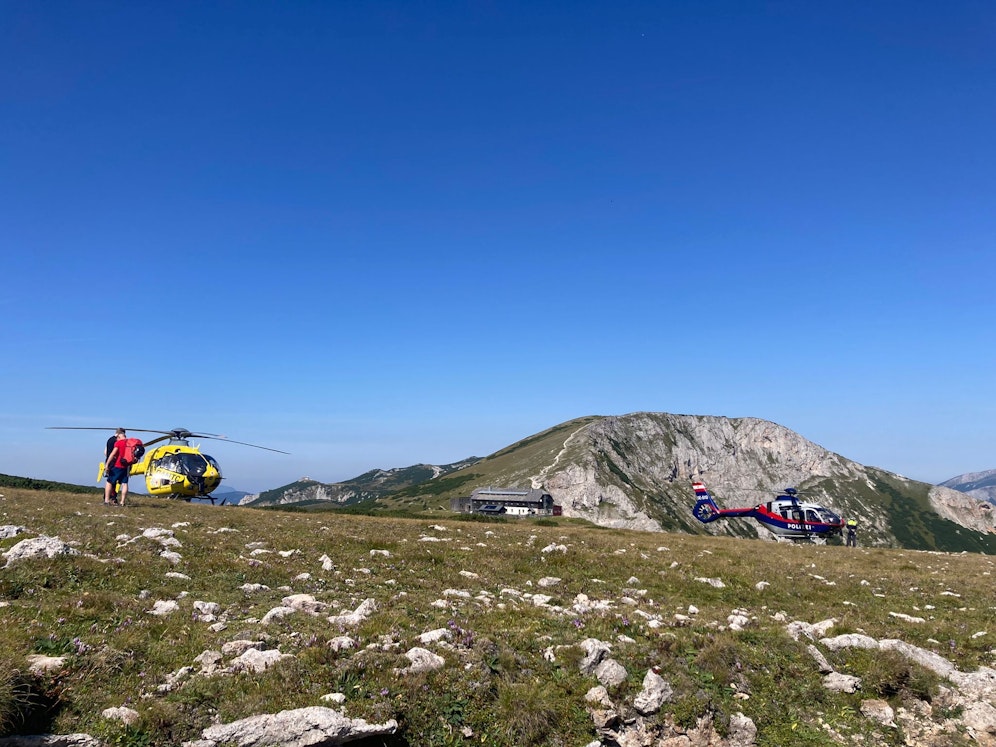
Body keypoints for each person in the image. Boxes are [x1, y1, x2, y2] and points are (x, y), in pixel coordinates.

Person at [104, 428, 130, 506]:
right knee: (124, 484)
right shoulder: (129, 443)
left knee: (110, 482)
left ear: (118, 435)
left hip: (117, 465)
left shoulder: (117, 442)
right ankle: (122, 502)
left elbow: (110, 454)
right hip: (126, 466)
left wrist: (107, 464)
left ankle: (107, 500)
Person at [105, 429, 123, 503]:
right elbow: (116, 452)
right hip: (115, 462)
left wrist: (107, 462)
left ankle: (107, 497)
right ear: (120, 434)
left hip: (109, 461)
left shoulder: (109, 440)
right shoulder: (117, 441)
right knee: (113, 481)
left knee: (110, 480)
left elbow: (105, 452)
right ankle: (112, 498)